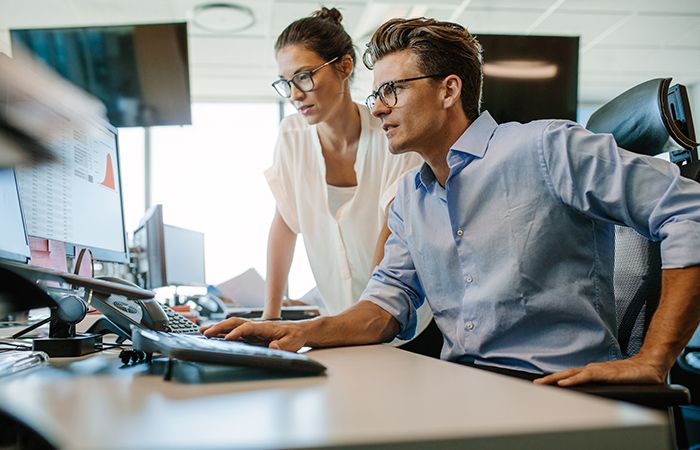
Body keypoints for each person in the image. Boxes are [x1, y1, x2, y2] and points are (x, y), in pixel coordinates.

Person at [204, 17, 700, 387]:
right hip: (463, 389)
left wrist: (654, 358)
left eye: (392, 90)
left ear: (448, 90)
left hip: (558, 394)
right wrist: (291, 331)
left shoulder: (547, 148)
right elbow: (382, 310)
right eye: (375, 93)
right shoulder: (409, 202)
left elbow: (689, 210)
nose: (376, 107)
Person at [260, 8, 428, 334]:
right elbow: (284, 223)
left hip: (402, 320)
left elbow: (393, 233)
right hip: (339, 313)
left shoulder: (391, 135)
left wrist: (366, 321)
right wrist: (271, 315)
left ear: (344, 66)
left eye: (305, 76)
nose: (295, 94)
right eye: (287, 82)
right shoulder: (292, 137)